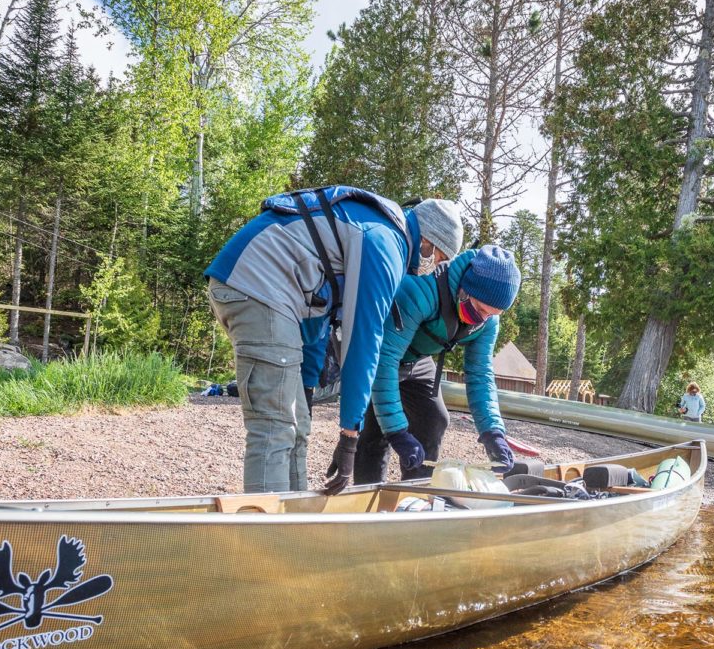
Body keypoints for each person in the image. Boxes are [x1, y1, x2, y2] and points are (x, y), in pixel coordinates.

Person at [204, 186, 463, 494]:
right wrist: (350, 435)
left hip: (272, 292)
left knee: (298, 423)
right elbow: (363, 340)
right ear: (427, 242)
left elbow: (317, 315)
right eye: (438, 258)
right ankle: (266, 523)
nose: (432, 268)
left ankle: (297, 516)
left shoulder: (381, 232)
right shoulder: (385, 242)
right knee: (275, 425)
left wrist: (307, 386)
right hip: (257, 285)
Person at [355, 244, 522, 484]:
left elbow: (480, 374)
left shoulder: (487, 322)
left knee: (434, 419)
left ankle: (416, 494)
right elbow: (385, 359)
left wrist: (493, 432)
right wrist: (397, 432)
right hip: (383, 355)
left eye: (492, 314)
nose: (482, 319)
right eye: (479, 309)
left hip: (419, 360)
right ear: (465, 289)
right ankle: (366, 496)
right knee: (376, 430)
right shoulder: (420, 291)